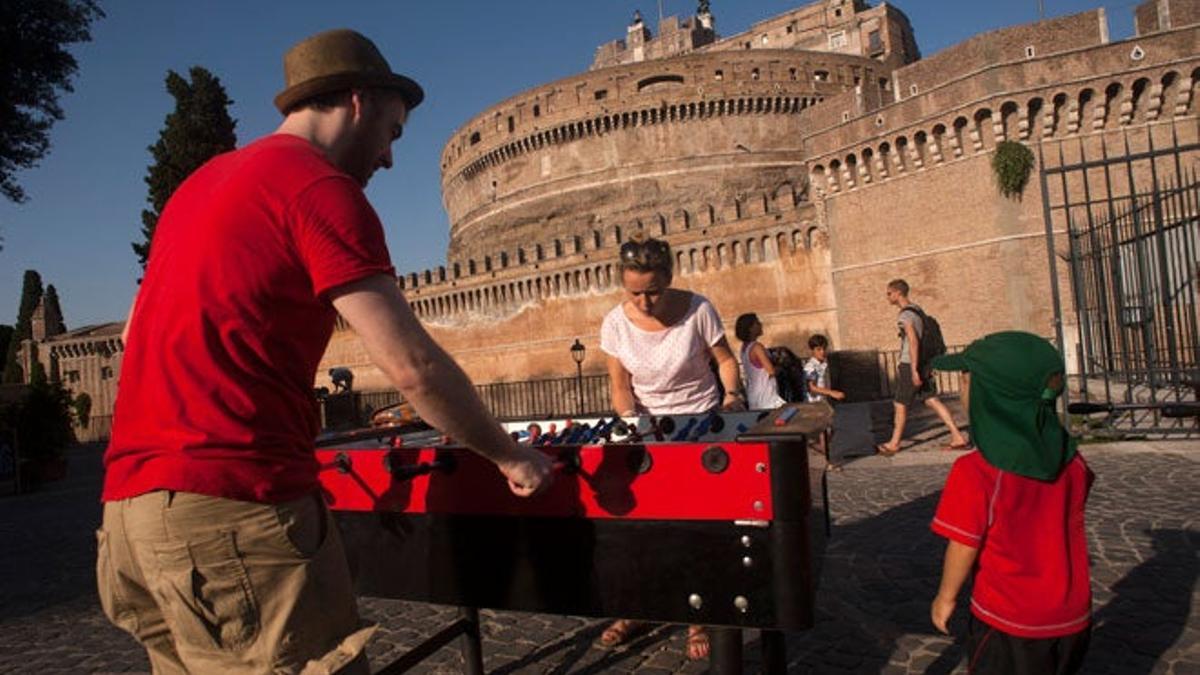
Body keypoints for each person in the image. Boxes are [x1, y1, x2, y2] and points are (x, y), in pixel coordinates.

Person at [98, 29, 553, 675]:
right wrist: (511, 455)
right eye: (394, 132)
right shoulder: (320, 189)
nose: (390, 158)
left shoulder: (198, 186)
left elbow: (130, 332)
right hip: (236, 505)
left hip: (131, 517)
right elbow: (411, 367)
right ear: (360, 102)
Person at [598, 234, 745, 661]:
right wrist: (632, 424)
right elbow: (620, 386)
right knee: (637, 532)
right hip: (648, 436)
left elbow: (725, 360)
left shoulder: (698, 309)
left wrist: (731, 395)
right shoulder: (614, 322)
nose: (644, 302)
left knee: (693, 529)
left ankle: (696, 616)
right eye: (635, 293)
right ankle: (637, 609)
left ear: (670, 278)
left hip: (699, 427)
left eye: (654, 291)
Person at [928, 331, 1092, 674]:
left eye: (965, 379)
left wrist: (946, 597)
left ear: (991, 396)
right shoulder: (1073, 461)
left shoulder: (975, 472)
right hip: (1072, 617)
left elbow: (963, 546)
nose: (961, 388)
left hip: (1007, 619)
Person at [877, 279, 969, 455]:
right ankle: (958, 436)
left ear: (898, 293)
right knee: (931, 399)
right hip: (924, 363)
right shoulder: (918, 310)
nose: (887, 297)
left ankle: (894, 444)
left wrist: (913, 370)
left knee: (900, 404)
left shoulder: (904, 315)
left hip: (910, 364)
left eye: (889, 293)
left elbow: (913, 341)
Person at [734, 312, 786, 410]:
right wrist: (782, 366)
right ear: (750, 328)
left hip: (754, 396)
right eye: (757, 323)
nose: (760, 325)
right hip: (766, 396)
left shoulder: (744, 349)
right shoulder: (757, 347)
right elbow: (771, 371)